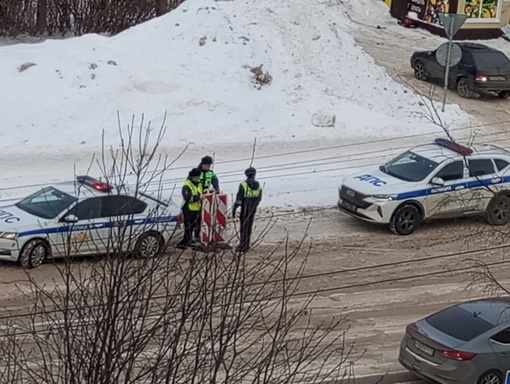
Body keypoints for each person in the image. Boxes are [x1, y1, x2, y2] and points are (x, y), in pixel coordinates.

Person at [232, 167, 262, 252]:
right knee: (249, 227)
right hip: (252, 210)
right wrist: (255, 205)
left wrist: (234, 209)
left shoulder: (243, 185)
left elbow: (239, 199)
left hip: (245, 210)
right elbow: (259, 198)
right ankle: (247, 244)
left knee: (243, 227)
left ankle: (242, 244)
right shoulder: (258, 185)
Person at [177, 168, 204, 249]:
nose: (198, 179)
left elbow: (200, 192)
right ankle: (185, 242)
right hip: (188, 209)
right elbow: (188, 198)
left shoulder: (199, 184)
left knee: (197, 226)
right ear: (192, 177)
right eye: (197, 177)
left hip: (197, 209)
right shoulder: (186, 185)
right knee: (189, 227)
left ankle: (192, 240)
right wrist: (199, 197)